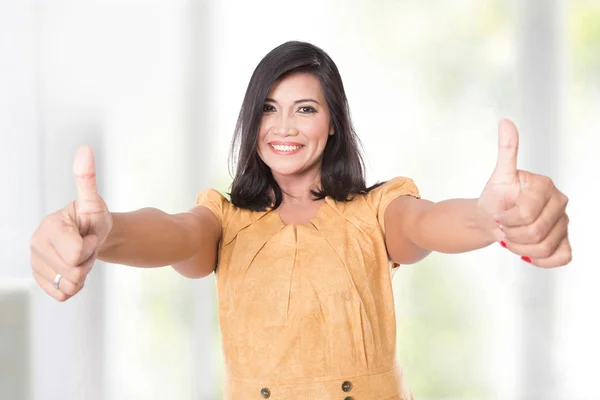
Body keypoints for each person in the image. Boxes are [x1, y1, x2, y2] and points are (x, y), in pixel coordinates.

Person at [29, 41, 572, 400]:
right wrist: (106, 233)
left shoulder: (374, 212)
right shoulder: (225, 221)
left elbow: (427, 224)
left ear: (333, 123)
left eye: (305, 108)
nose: (283, 125)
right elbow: (172, 233)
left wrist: (487, 216)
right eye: (268, 107)